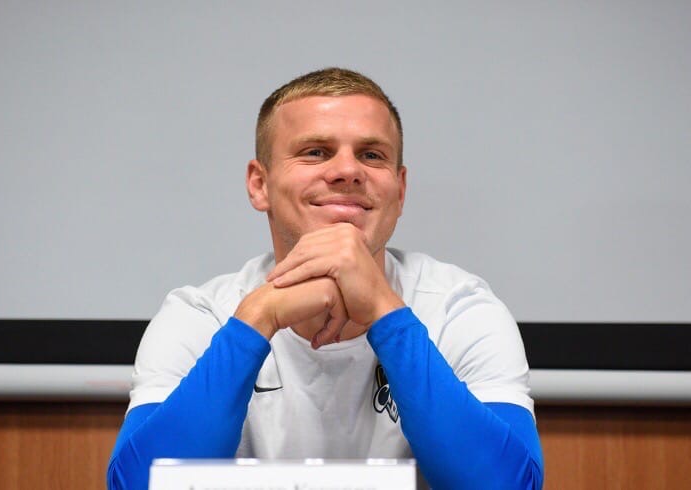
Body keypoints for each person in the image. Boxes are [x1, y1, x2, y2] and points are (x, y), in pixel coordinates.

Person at [107, 68, 544, 490]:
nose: (347, 171)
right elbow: (142, 485)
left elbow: (505, 486)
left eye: (371, 155)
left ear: (400, 189)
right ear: (259, 184)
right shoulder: (199, 316)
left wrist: (387, 314)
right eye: (315, 151)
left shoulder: (459, 309)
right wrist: (256, 321)